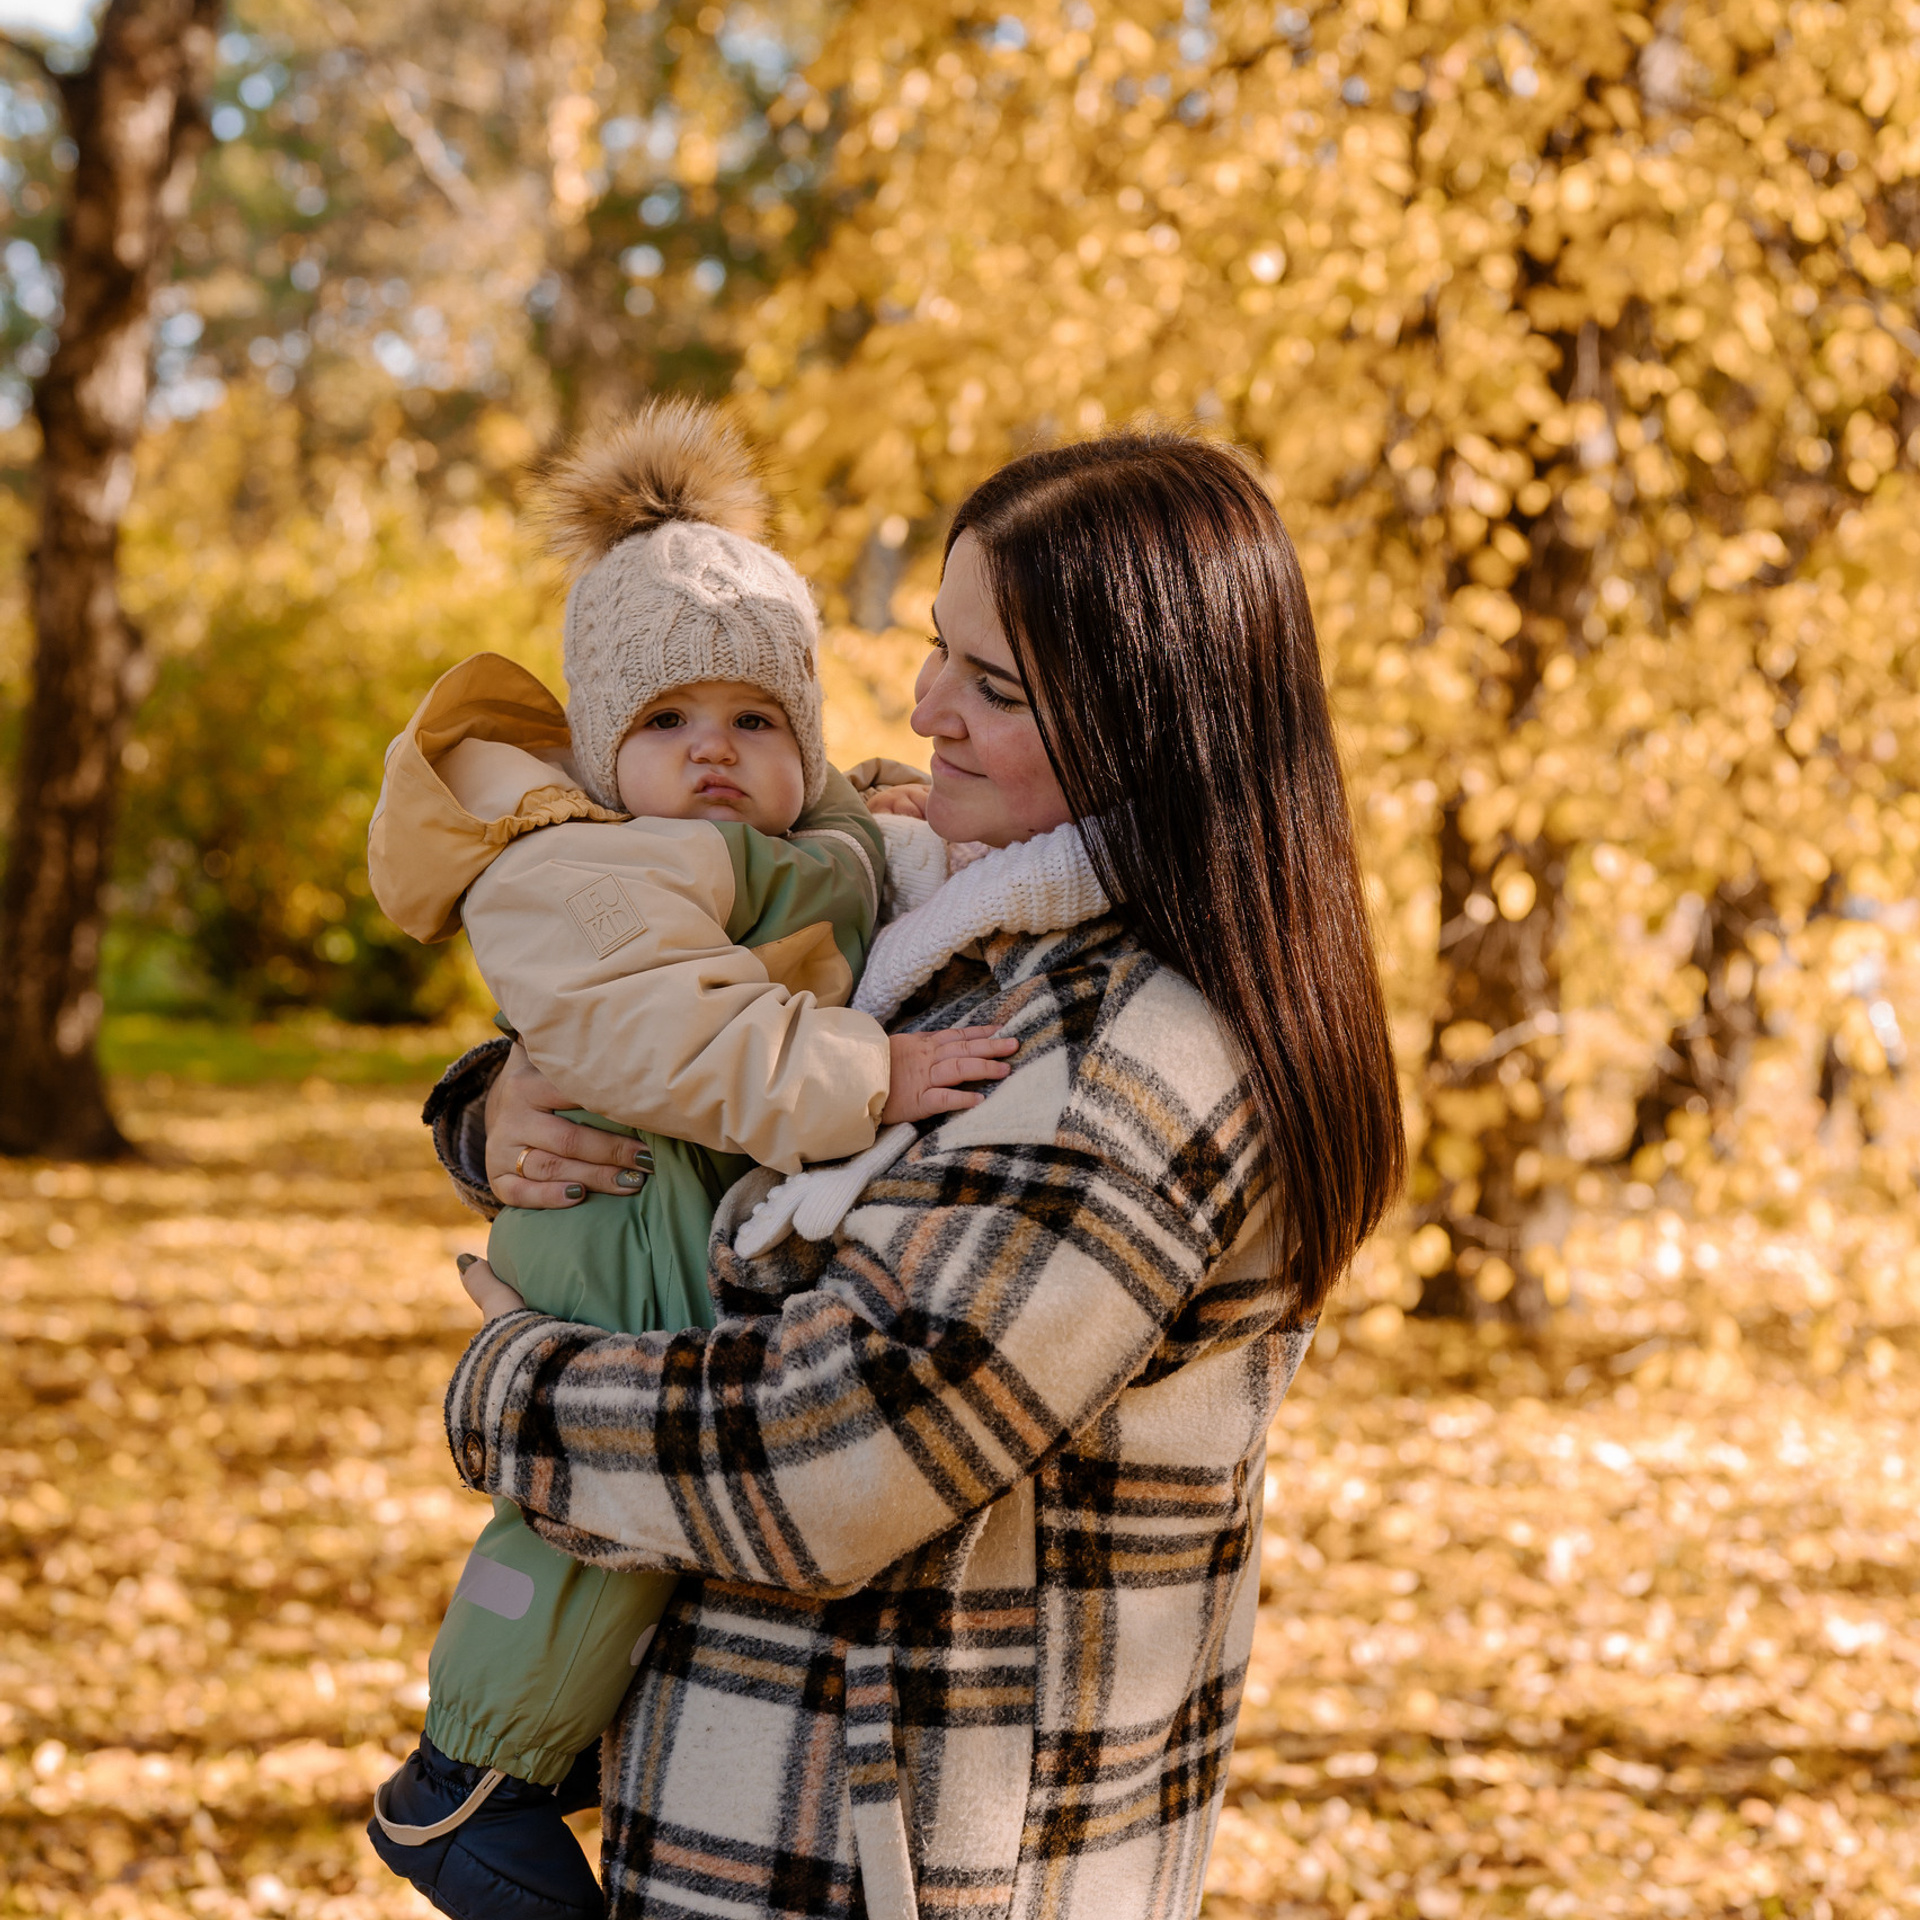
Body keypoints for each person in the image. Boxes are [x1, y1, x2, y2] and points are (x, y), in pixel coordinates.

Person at [425, 428, 1406, 1920]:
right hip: (754, 1821)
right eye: (939, 650)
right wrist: (499, 1106)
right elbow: (699, 1056)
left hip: (916, 1862)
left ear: (1149, 724)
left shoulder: (1139, 1057)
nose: (924, 708)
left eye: (994, 689)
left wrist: (510, 1388)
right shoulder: (953, 932)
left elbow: (834, 1457)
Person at [362, 397, 1014, 1920]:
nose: (712, 755)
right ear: (601, 753)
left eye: (754, 721)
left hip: (684, 1242)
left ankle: (537, 1747)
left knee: (629, 1526)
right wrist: (884, 1071)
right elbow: (679, 1039)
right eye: (664, 725)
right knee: (588, 1527)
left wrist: (930, 834)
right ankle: (461, 1782)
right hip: (621, 1246)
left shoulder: (802, 837)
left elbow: (871, 864)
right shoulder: (577, 870)